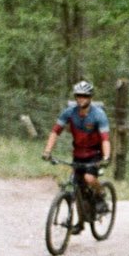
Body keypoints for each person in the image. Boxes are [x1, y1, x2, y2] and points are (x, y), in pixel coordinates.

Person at [42, 80, 110, 230]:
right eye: (78, 95)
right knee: (76, 186)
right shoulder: (69, 112)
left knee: (89, 178)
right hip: (78, 153)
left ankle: (101, 195)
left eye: (84, 96)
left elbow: (105, 139)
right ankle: (80, 223)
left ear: (90, 97)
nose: (81, 98)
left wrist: (106, 157)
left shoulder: (99, 115)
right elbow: (55, 131)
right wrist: (47, 151)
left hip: (95, 154)